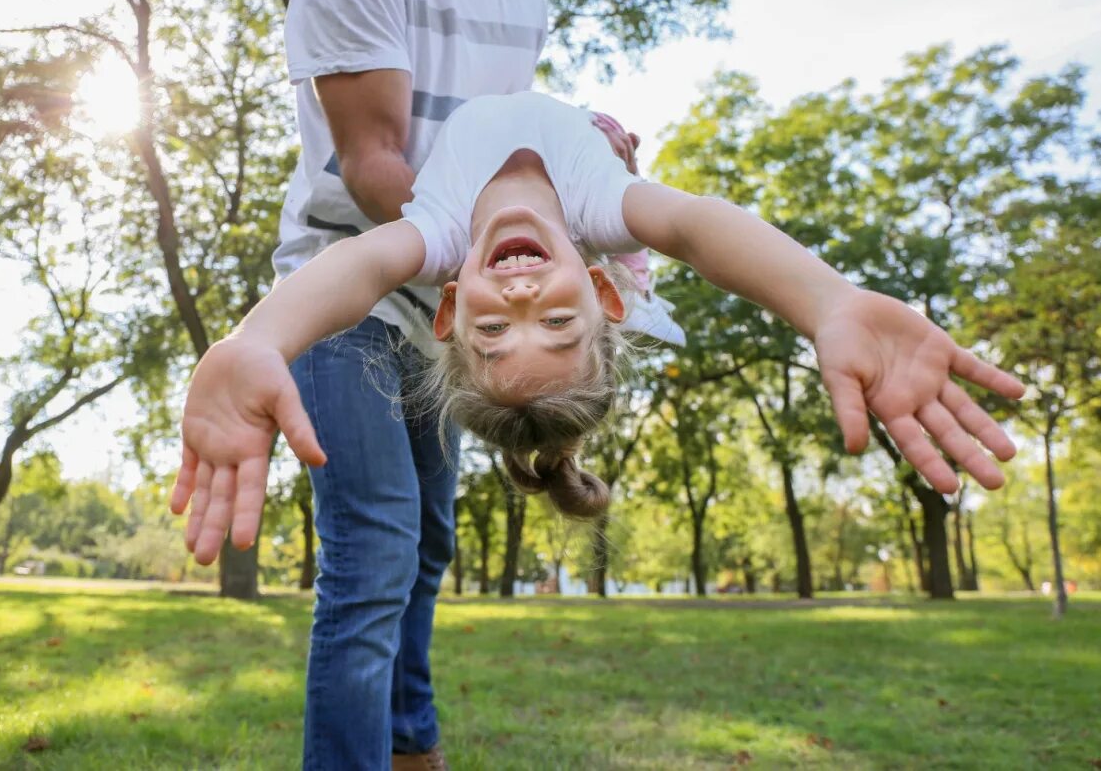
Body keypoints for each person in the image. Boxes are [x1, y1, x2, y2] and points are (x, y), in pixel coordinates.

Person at [171, 83, 1027, 622]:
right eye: (559, 326)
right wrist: (826, 300)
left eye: (492, 331)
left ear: (453, 309)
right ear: (605, 291)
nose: (517, 306)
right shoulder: (601, 204)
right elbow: (696, 226)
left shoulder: (432, 238)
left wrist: (258, 341)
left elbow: (349, 269)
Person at [201, 0, 673, 769]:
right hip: (346, 283)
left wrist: (573, 181)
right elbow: (370, 161)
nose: (536, 303)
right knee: (376, 544)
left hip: (453, 314)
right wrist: (535, 220)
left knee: (427, 542)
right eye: (556, 321)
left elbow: (508, 141)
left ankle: (411, 743)